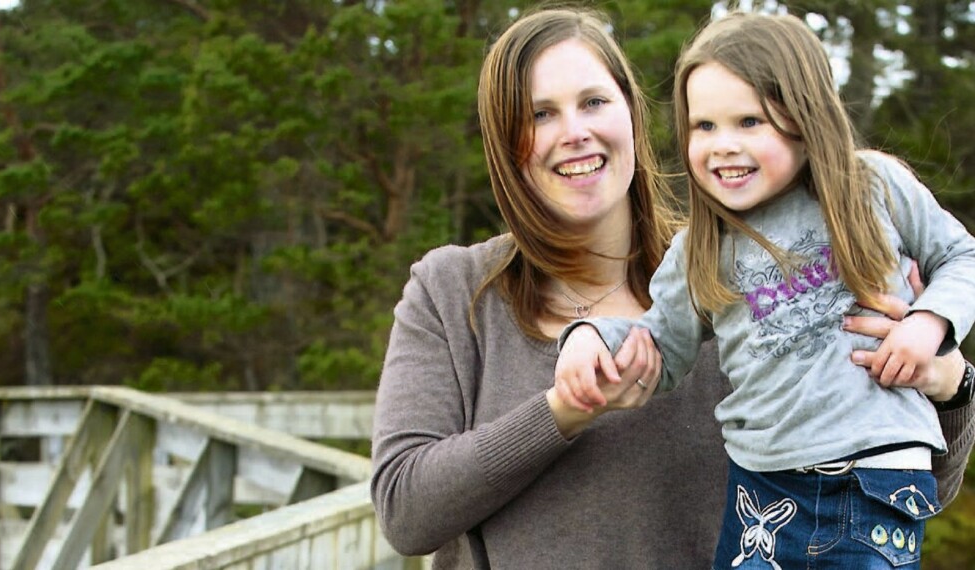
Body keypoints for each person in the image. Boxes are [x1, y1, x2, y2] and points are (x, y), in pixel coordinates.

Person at [370, 6, 975, 569]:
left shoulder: (737, 263)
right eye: (540, 113)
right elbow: (407, 513)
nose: (574, 131)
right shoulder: (454, 290)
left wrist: (950, 383)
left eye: (593, 102)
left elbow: (917, 492)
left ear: (633, 114)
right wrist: (562, 409)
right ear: (506, 142)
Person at [554, 10, 975, 569]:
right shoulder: (702, 246)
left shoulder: (867, 186)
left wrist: (930, 324)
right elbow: (659, 346)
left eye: (749, 122)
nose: (722, 145)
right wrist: (590, 339)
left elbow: (962, 255)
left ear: (804, 116)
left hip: (874, 476)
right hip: (762, 493)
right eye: (704, 127)